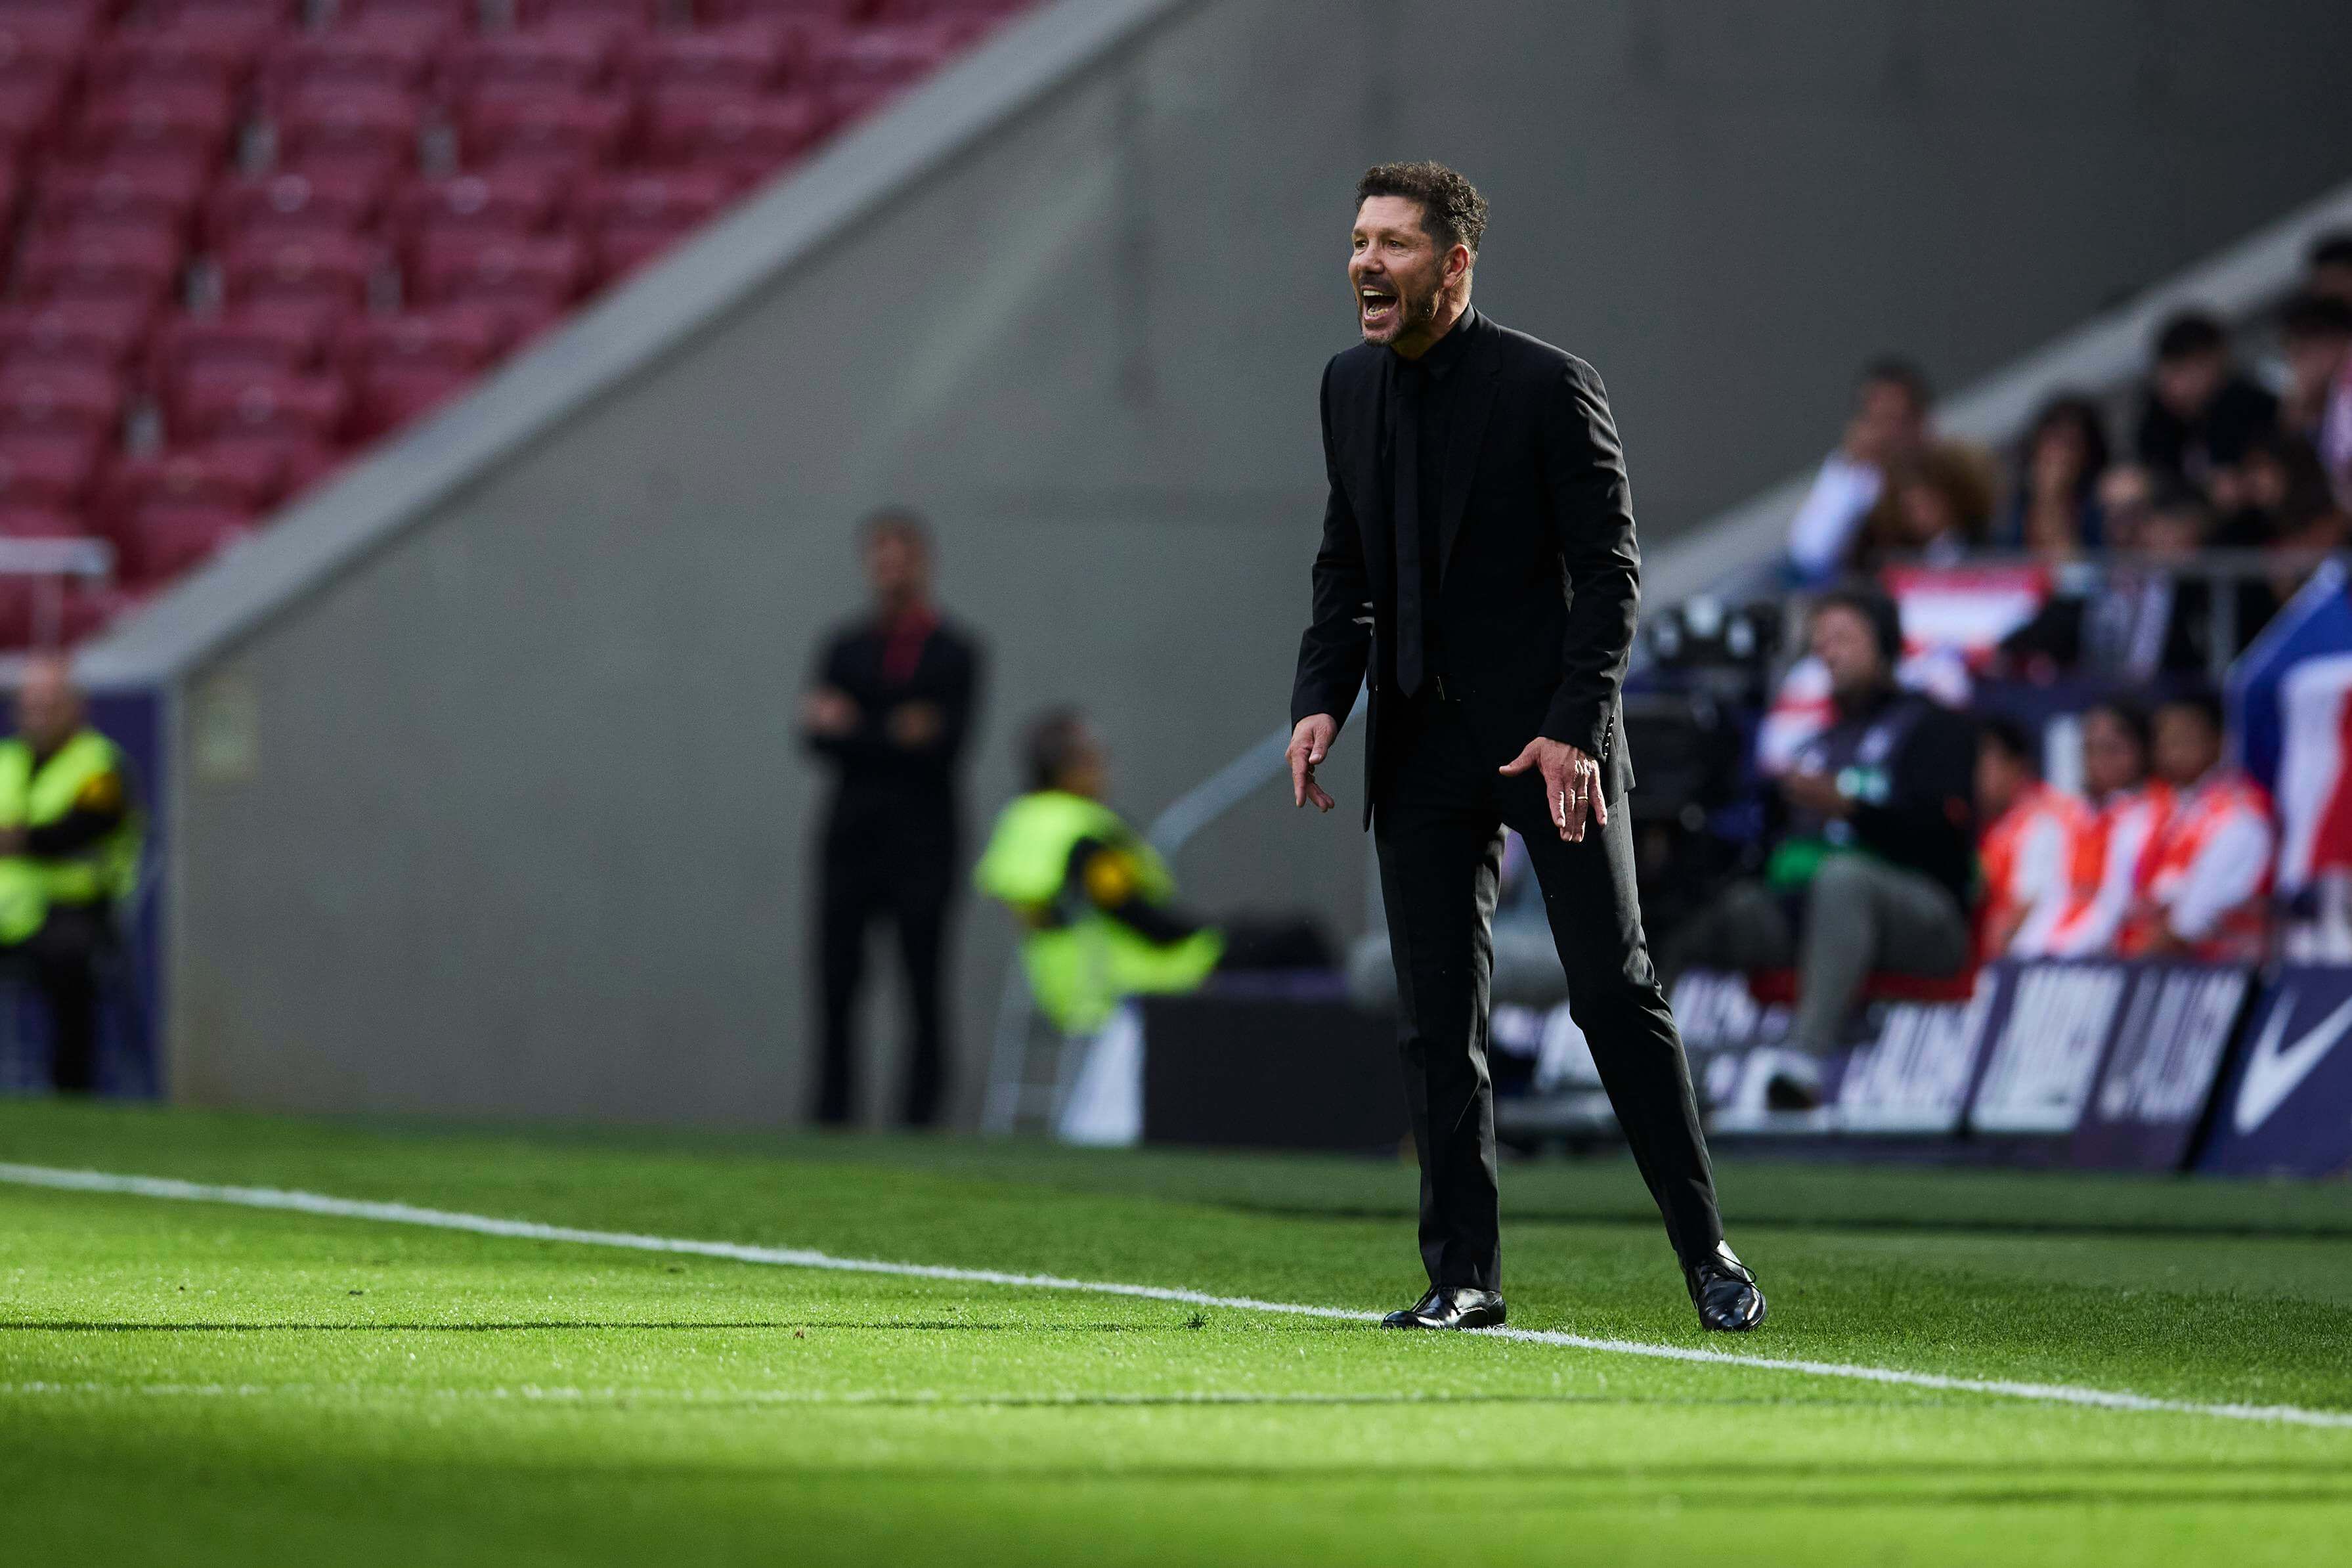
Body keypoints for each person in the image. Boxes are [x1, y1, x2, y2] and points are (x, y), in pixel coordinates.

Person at [1286, 161, 1761, 1335]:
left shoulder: (1550, 385)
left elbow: (1611, 571)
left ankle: (1706, 1251)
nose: (1364, 263)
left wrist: (1570, 722)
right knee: (1435, 1016)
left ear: (1454, 263)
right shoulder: (1347, 388)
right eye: (1357, 240)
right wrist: (1321, 699)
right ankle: (1462, 1274)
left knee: (1612, 991)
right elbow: (1345, 567)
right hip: (1416, 746)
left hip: (1551, 746)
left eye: (1392, 243)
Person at [1665, 589, 1976, 1102]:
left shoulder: (1937, 727)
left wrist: (1851, 808)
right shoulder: (1815, 742)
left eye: (1843, 638)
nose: (1828, 652)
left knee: (1844, 878)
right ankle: (1645, 1062)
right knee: (1706, 905)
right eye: (1820, 642)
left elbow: (1945, 840)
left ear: (1885, 645)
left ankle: (1803, 1062)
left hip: (1930, 918)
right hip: (1816, 919)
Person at [801, 509, 982, 1128]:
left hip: (923, 843)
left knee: (924, 987)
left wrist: (859, 724)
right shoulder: (842, 647)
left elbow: (943, 742)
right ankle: (831, 1119)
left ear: (922, 562)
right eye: (879, 555)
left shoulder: (955, 652)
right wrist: (896, 728)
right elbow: (817, 738)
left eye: (900, 554)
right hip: (850, 840)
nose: (889, 567)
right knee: (835, 985)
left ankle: (919, 1122)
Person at [974, 710, 1224, 1037]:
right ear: (1068, 771)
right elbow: (1135, 915)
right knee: (1285, 944)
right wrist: (1215, 934)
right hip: (1121, 976)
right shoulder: (1082, 834)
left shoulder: (1021, 821)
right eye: (1095, 762)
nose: (1106, 773)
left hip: (1056, 981)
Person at [0, 655, 142, 1093]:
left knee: (69, 960)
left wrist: (22, 840)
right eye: (30, 705)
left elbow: (82, 828)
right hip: (8, 912)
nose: (37, 715)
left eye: (49, 704)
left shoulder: (100, 764)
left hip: (77, 908)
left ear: (75, 708)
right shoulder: (6, 760)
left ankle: (72, 1089)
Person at [2121, 691, 2275, 961]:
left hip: (2217, 971)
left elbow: (2193, 922)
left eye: (2184, 740)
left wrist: (2129, 968)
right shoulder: (2153, 809)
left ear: (2218, 742)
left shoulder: (2242, 814)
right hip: (2155, 963)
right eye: (2164, 741)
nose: (2173, 752)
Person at [1785, 359, 1933, 584]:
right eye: (1875, 420)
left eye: (1894, 420)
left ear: (1920, 422)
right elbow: (1810, 553)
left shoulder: (1947, 469)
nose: (1884, 435)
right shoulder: (1855, 473)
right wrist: (1850, 471)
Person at [2048, 699, 2171, 956]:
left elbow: (2115, 901)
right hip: (2076, 950)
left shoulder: (2159, 812)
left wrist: (2063, 955)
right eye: (2090, 750)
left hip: (2131, 956)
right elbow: (2059, 896)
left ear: (2143, 750)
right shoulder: (2078, 815)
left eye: (2112, 749)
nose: (2099, 761)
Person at [2133, 310, 2278, 510]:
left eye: (2191, 368)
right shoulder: (2160, 424)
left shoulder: (2251, 406)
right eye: (2174, 370)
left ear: (2218, 359)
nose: (2179, 383)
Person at [1974, 716, 2086, 957]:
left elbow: (2027, 909)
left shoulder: (2044, 820)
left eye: (1983, 765)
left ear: (2017, 767)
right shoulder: (1989, 822)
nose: (1974, 776)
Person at [1852, 441, 1996, 570]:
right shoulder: (1895, 557)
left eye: (1928, 502)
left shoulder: (1989, 551)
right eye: (1910, 507)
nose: (1920, 515)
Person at [2000, 394, 2110, 555]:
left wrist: (2051, 499)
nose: (2057, 455)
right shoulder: (2013, 508)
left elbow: (2071, 568)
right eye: (2051, 442)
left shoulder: (2099, 508)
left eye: (2070, 445)